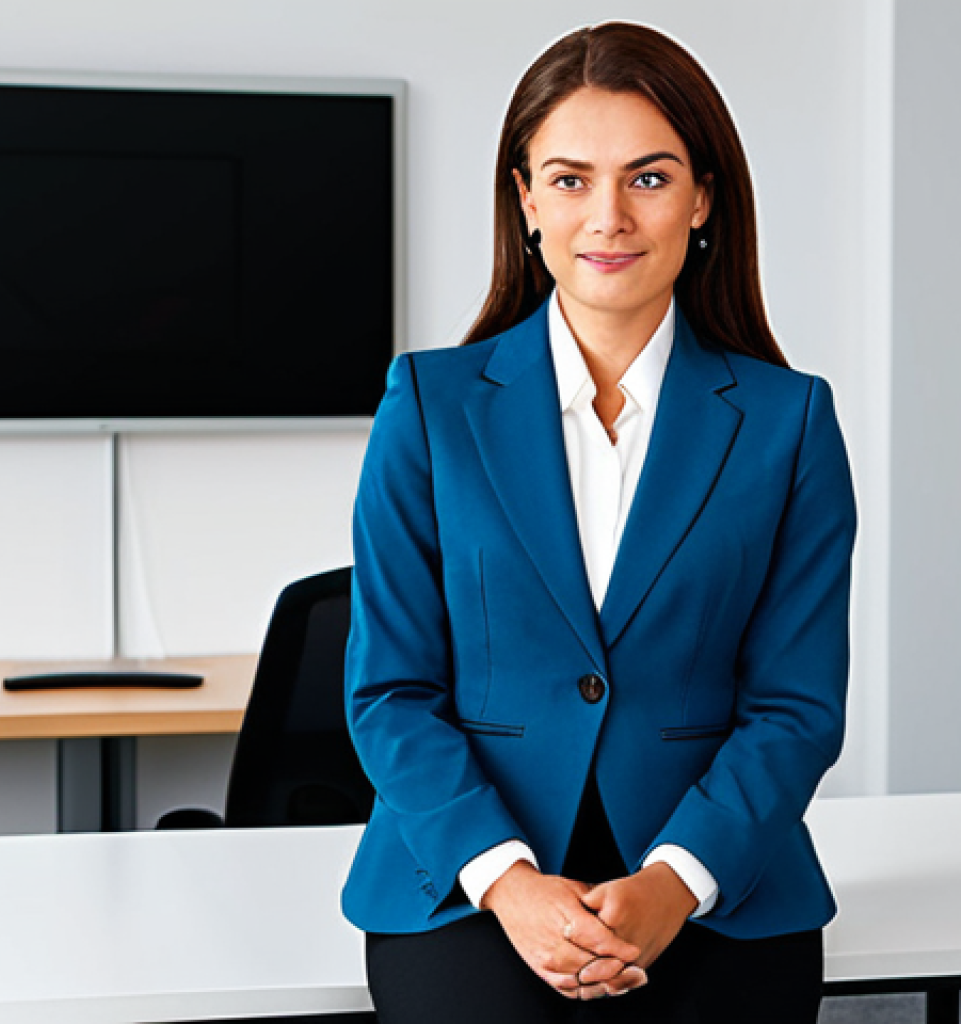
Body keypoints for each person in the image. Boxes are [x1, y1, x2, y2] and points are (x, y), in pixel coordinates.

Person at [342, 21, 856, 1024]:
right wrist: (510, 882)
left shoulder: (788, 423)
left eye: (649, 178)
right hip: (467, 883)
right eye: (570, 179)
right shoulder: (430, 405)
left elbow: (795, 707)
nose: (608, 215)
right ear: (526, 200)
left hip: (717, 882)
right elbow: (389, 691)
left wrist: (675, 880)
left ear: (703, 197)